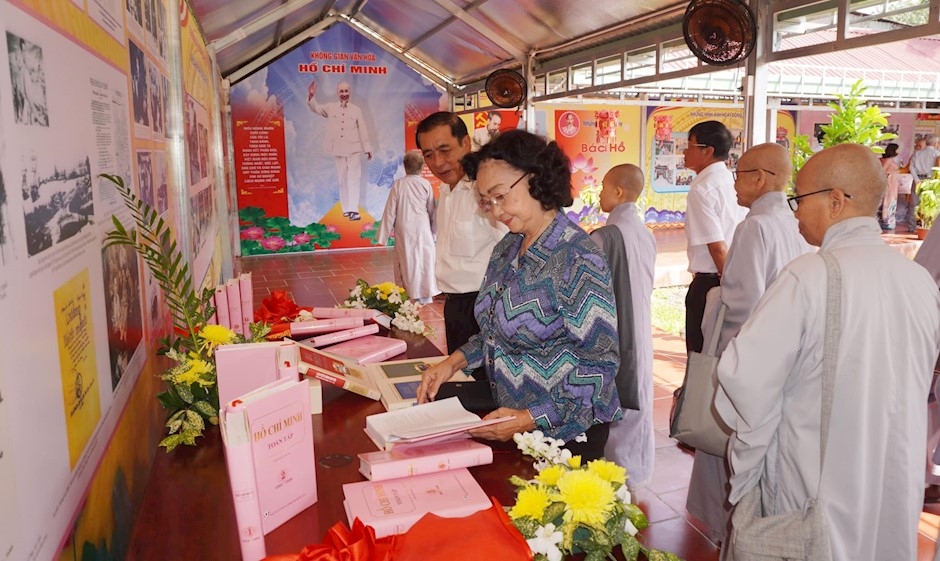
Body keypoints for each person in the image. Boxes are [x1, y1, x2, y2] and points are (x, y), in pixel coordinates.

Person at [715, 143, 940, 561]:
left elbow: (742, 382)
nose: (795, 211)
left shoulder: (808, 276)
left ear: (836, 201)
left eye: (800, 199)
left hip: (814, 488)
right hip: (893, 480)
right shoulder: (919, 281)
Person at [416, 130, 623, 461]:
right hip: (515, 418)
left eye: (500, 196)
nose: (495, 211)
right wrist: (452, 362)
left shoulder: (576, 259)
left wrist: (528, 417)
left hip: (566, 432)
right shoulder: (507, 248)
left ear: (536, 179)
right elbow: (494, 333)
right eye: (486, 201)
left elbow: (600, 364)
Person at [685, 143, 813, 549]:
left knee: (728, 450)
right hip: (786, 362)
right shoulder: (793, 222)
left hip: (746, 359)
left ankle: (731, 535)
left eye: (740, 174)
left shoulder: (754, 227)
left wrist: (713, 301)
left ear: (760, 179)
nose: (734, 182)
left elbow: (740, 305)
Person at [415, 112, 506, 373]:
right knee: (462, 380)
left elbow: (512, 247)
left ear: (466, 143)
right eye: (428, 154)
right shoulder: (447, 190)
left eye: (445, 150)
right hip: (454, 306)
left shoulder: (483, 190)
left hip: (483, 308)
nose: (438, 162)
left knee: (484, 386)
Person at [591, 163, 657, 487]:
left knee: (617, 406)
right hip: (641, 331)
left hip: (615, 335)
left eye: (603, 187)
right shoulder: (645, 234)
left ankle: (614, 482)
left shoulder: (603, 237)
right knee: (638, 400)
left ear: (618, 192)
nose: (599, 193)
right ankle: (635, 479)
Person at [682, 120, 744, 354]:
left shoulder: (702, 189)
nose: (684, 151)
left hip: (712, 281)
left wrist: (727, 285)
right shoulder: (731, 181)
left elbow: (717, 247)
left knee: (701, 356)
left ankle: (696, 392)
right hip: (732, 277)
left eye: (689, 145)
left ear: (707, 151)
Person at [377, 150, 439, 304]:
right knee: (424, 259)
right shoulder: (426, 184)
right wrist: (435, 233)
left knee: (407, 260)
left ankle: (410, 292)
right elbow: (432, 210)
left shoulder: (398, 184)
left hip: (404, 227)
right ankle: (426, 295)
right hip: (422, 227)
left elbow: (390, 211)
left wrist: (382, 237)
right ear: (421, 167)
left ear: (405, 167)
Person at [307, 80, 373, 221]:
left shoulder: (356, 110)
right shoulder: (330, 108)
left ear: (350, 92)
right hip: (337, 149)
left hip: (354, 149)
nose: (344, 94)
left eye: (346, 91)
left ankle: (354, 210)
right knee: (342, 180)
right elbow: (316, 108)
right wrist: (311, 96)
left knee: (354, 179)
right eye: (341, 91)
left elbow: (363, 129)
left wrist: (367, 148)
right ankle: (346, 209)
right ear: (337, 93)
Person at [908, 135, 940, 232]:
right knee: (929, 204)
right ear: (936, 143)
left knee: (914, 204)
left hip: (917, 180)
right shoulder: (937, 154)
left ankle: (912, 227)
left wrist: (916, 179)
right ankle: (926, 227)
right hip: (930, 181)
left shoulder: (917, 153)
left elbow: (911, 167)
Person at [878, 142, 900, 230]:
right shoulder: (889, 160)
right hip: (890, 185)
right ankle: (886, 222)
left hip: (892, 184)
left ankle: (885, 221)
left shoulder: (886, 159)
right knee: (888, 201)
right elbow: (883, 170)